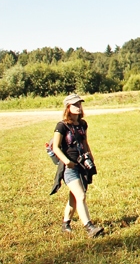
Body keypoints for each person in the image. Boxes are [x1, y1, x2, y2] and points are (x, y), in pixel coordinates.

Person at [50, 93, 104, 237]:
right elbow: (55, 147)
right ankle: (89, 227)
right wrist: (67, 161)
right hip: (69, 168)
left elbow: (85, 142)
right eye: (75, 105)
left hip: (82, 165)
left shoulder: (82, 124)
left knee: (75, 197)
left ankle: (65, 224)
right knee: (80, 196)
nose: (78, 107)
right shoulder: (61, 126)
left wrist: (90, 157)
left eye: (79, 104)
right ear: (68, 107)